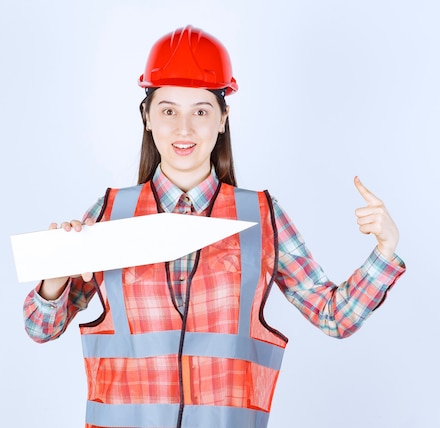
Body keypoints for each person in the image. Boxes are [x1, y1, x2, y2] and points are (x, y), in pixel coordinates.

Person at [23, 25, 406, 428]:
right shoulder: (111, 213)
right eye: (168, 110)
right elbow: (40, 328)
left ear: (223, 118)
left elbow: (334, 317)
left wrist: (385, 250)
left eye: (200, 111)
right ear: (147, 118)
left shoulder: (261, 217)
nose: (183, 129)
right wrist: (55, 277)